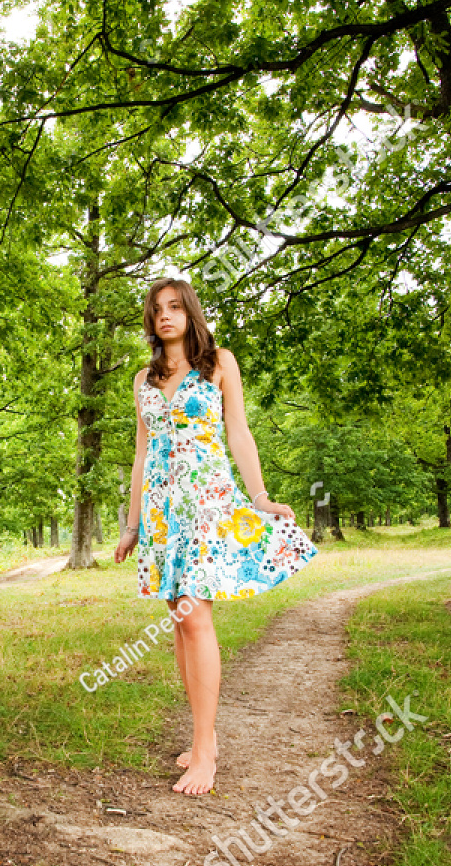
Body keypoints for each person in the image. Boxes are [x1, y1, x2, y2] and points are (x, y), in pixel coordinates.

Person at [114, 278, 318, 795]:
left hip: (207, 503)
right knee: (180, 624)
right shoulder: (143, 379)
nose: (165, 316)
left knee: (195, 615)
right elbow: (141, 454)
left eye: (175, 307)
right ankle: (204, 734)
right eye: (157, 309)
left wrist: (261, 498)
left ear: (190, 313)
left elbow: (238, 433)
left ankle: (205, 751)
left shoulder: (219, 363)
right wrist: (133, 523)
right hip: (163, 513)